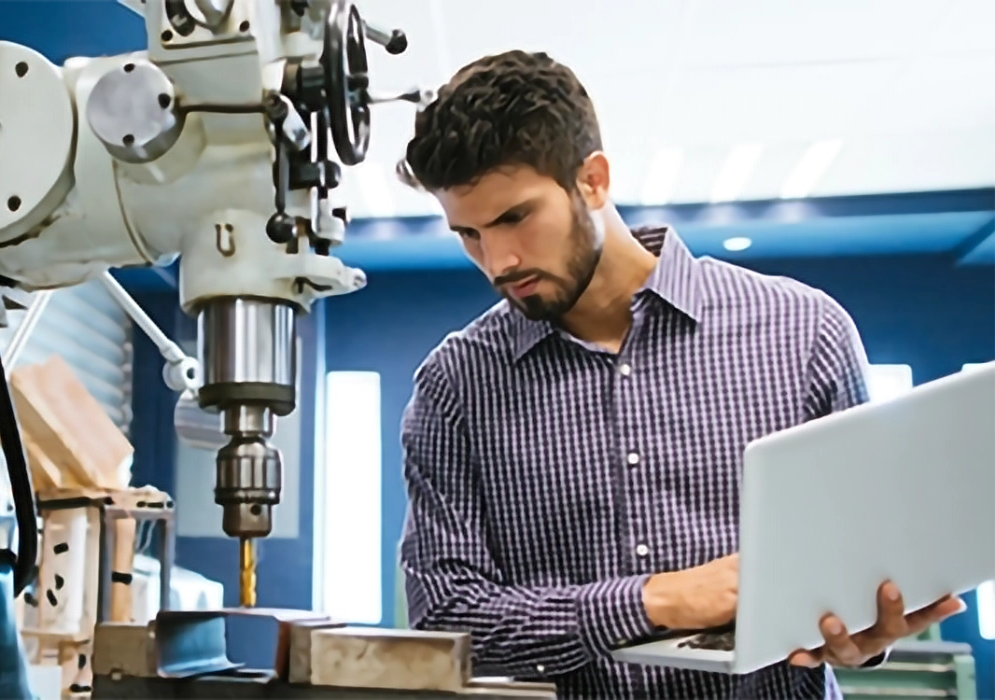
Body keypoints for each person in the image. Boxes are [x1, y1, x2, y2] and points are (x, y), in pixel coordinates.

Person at [394, 50, 964, 699]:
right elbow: (446, 621)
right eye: (468, 234)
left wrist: (863, 635)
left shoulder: (805, 332)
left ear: (593, 181)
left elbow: (866, 567)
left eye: (515, 218)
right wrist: (652, 600)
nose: (498, 261)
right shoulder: (456, 385)